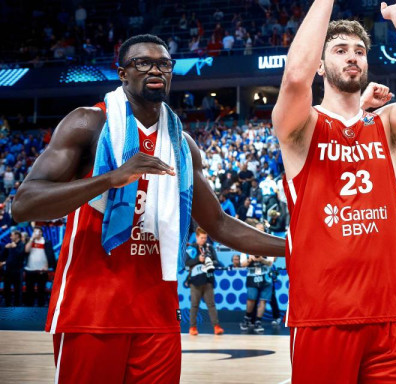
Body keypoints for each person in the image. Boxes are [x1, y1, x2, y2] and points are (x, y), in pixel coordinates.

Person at [12, 34, 285, 383]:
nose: (156, 70)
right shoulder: (88, 123)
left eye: (163, 64)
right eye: (143, 62)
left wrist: (294, 247)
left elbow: (218, 223)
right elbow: (24, 204)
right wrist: (110, 179)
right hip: (92, 310)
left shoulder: (182, 143)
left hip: (157, 314)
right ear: (122, 73)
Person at [271, 0, 396, 382]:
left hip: (392, 316)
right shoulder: (301, 126)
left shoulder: (385, 124)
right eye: (339, 50)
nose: (352, 57)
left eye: (359, 51)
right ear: (321, 65)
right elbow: (294, 77)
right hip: (324, 315)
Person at [239, 219, 276, 334]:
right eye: (257, 230)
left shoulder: (269, 244)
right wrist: (250, 259)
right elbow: (242, 263)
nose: (260, 232)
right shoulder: (246, 244)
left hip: (266, 276)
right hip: (252, 274)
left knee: (263, 300)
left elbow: (270, 262)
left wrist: (261, 260)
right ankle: (247, 319)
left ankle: (258, 321)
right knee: (251, 299)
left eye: (262, 230)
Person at [185, 227, 223, 336]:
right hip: (195, 281)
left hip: (208, 280)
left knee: (211, 304)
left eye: (205, 238)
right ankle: (192, 327)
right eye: (202, 238)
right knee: (194, 305)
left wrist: (208, 261)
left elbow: (217, 261)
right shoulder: (191, 249)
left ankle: (216, 327)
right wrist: (198, 259)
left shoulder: (209, 248)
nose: (204, 240)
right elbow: (187, 263)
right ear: (197, 237)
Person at [24, 226, 57, 307]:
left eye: (37, 231)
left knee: (41, 291)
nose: (36, 233)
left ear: (41, 232)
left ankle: (40, 308)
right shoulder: (29, 240)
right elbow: (26, 250)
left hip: (42, 270)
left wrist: (48, 266)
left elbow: (50, 255)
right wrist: (32, 239)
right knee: (29, 290)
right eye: (34, 231)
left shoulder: (46, 242)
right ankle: (29, 308)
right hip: (30, 270)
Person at [1, 230, 25, 306]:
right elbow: (2, 257)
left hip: (17, 270)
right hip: (8, 270)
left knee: (17, 288)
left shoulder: (22, 245)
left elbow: (20, 256)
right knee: (6, 287)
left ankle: (17, 304)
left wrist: (14, 248)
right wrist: (5, 248)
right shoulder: (10, 245)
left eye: (12, 235)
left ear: (17, 236)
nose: (10, 237)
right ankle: (7, 303)